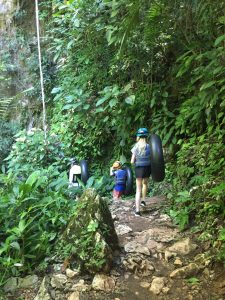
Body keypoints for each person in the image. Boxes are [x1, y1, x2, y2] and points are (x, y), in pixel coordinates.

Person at [131, 128, 151, 216]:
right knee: (145, 183)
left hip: (139, 168)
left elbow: (132, 161)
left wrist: (136, 162)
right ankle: (143, 201)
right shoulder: (149, 146)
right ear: (146, 136)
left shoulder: (136, 146)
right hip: (147, 167)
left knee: (138, 189)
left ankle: (137, 211)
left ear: (138, 136)